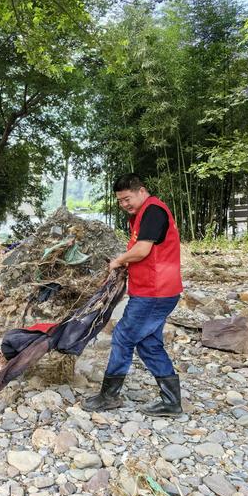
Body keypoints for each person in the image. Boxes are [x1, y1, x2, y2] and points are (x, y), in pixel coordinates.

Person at [82, 174, 184, 417]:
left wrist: (119, 260)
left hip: (155, 292)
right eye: (120, 201)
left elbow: (141, 250)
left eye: (127, 198)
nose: (124, 204)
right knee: (149, 344)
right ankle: (171, 402)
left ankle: (109, 396)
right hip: (155, 290)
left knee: (124, 336)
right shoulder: (141, 214)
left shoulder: (153, 211)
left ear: (141, 191)